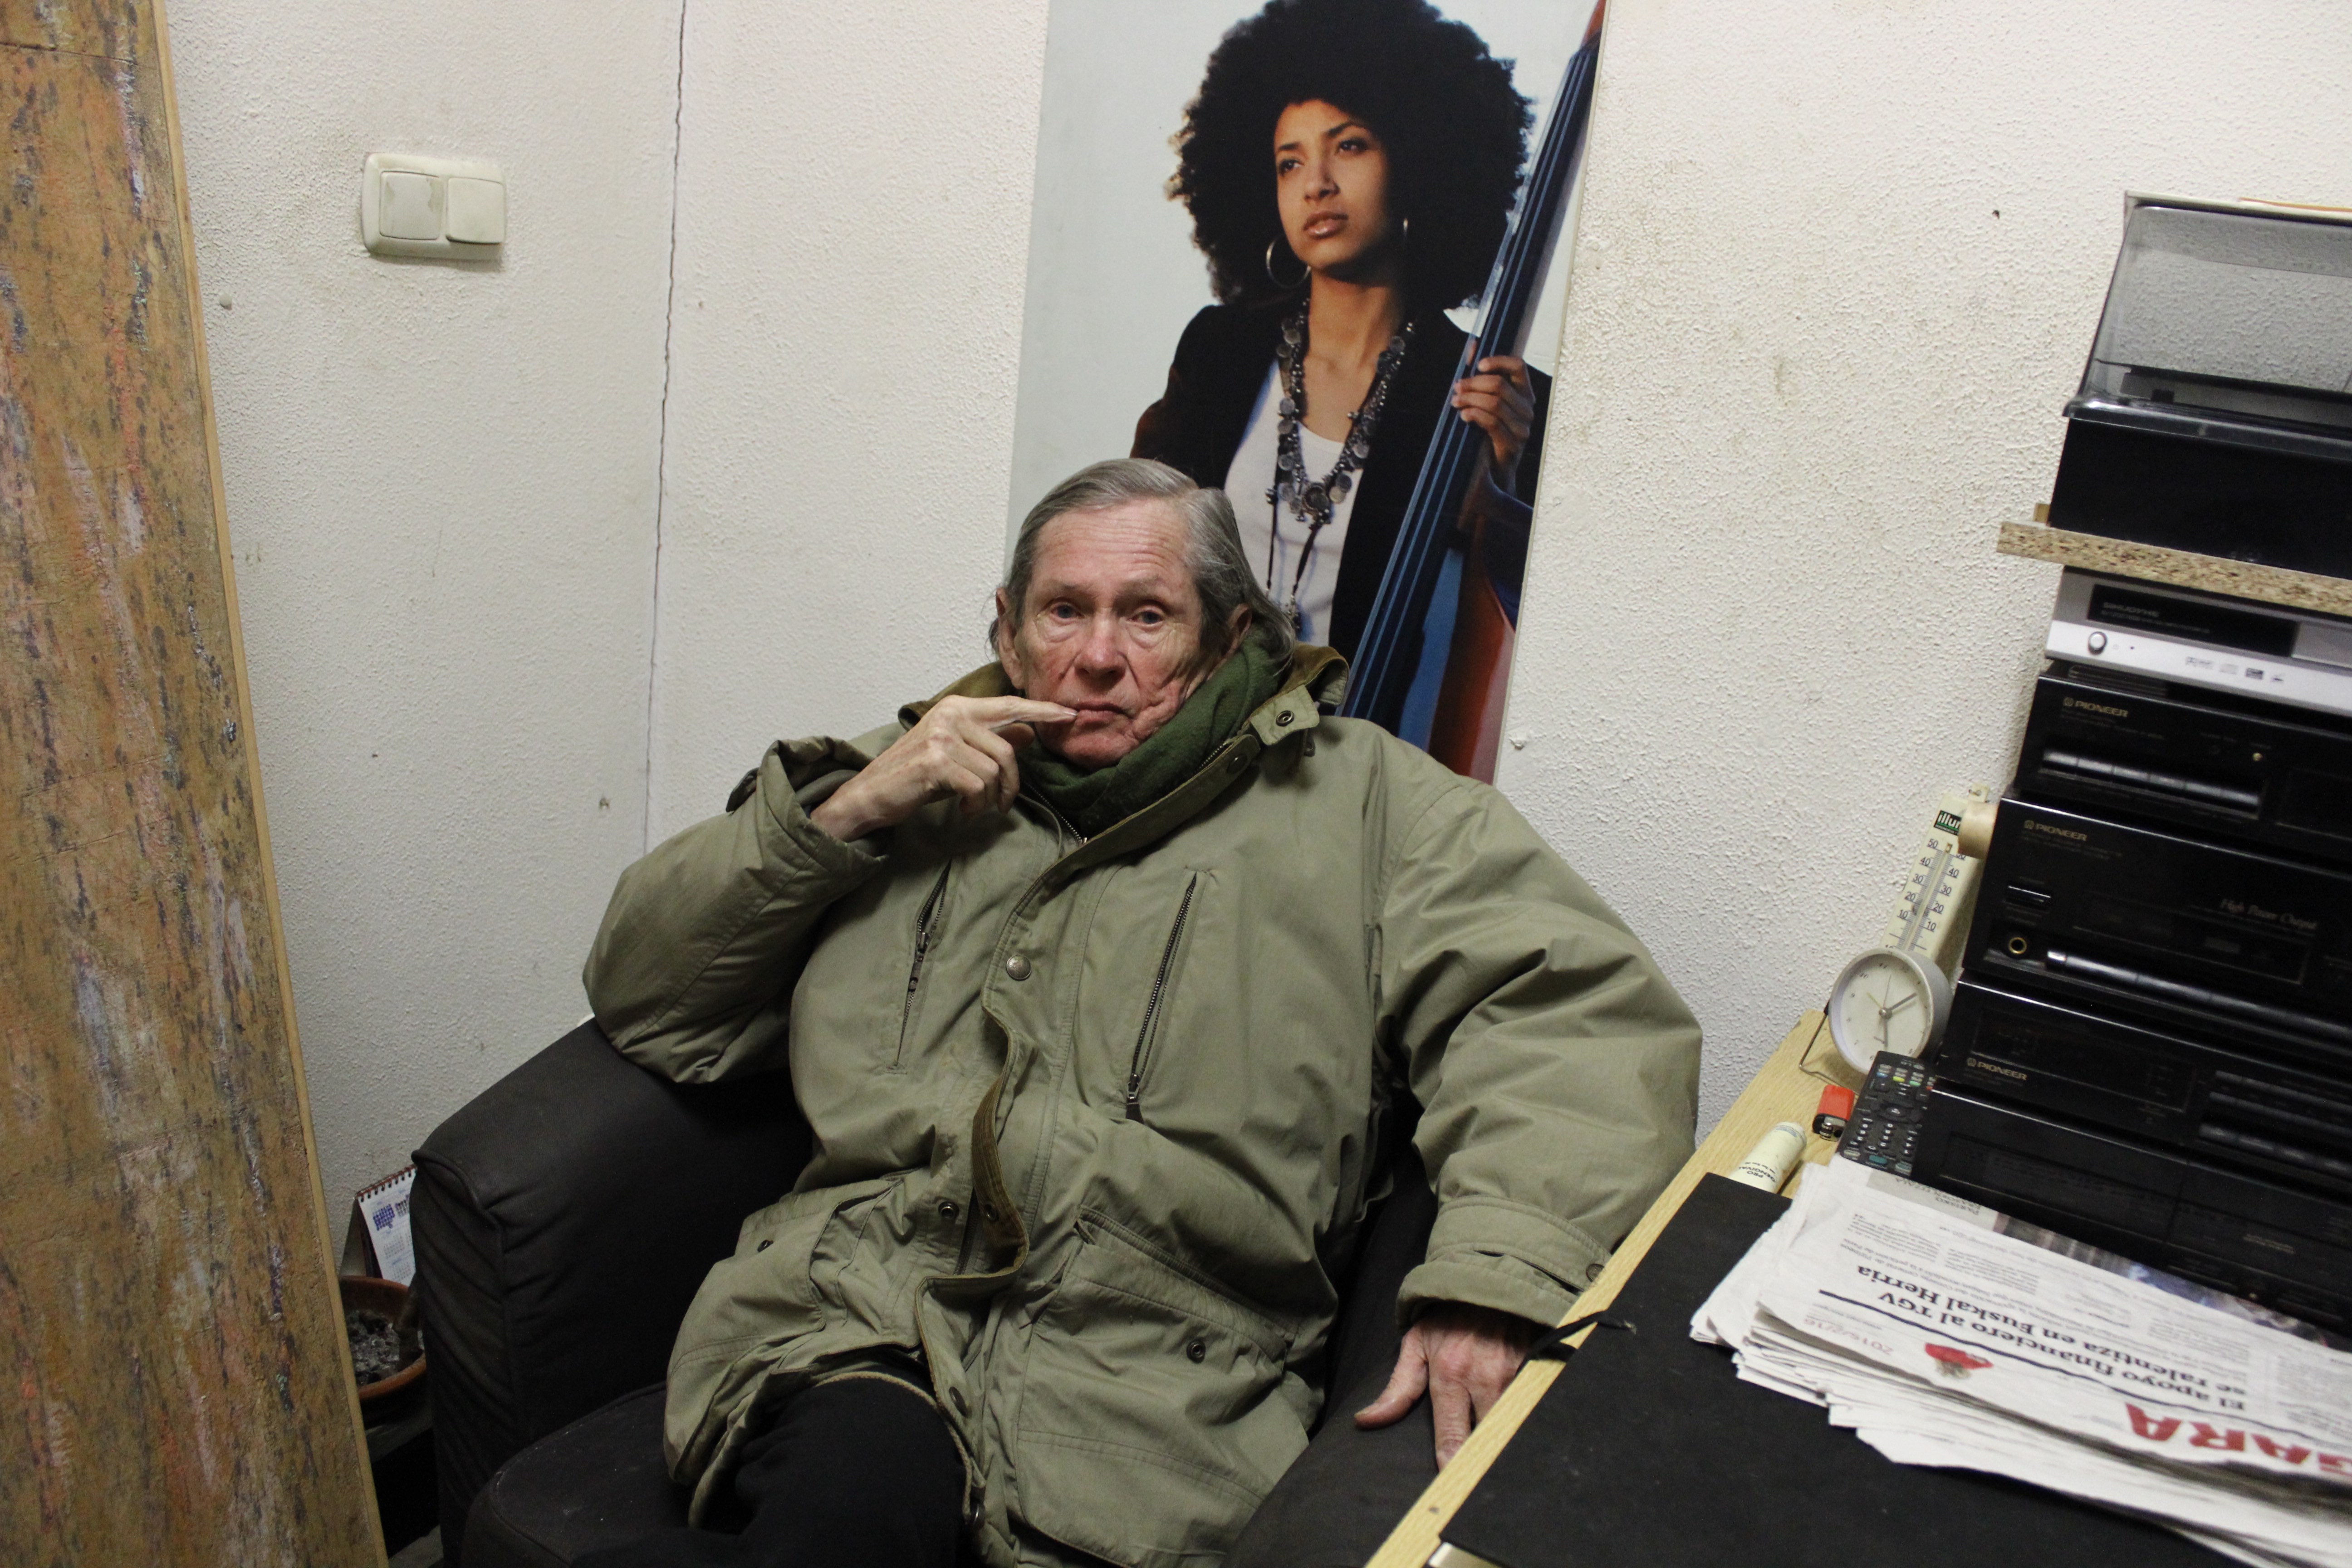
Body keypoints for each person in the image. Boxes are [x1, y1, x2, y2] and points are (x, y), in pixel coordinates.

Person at [578, 459, 1699, 1568]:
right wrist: (846, 815)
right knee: (850, 1503)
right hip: (867, 1328)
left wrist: (1498, 1277)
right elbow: (648, 998)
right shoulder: (911, 778)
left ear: (1229, 634)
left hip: (1153, 1397)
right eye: (1064, 611)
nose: (1099, 656)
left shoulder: (1373, 807)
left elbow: (1573, 1018)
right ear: (1008, 628)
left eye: (1147, 616)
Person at [1135, 0, 1549, 698]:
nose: (1316, 184)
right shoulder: (1219, 352)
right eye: (1289, 163)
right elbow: (1133, 547)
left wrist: (1501, 487)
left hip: (1364, 742)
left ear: (1417, 161)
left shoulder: (1487, 394)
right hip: (1193, 723)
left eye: (1349, 146)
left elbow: (1512, 630)